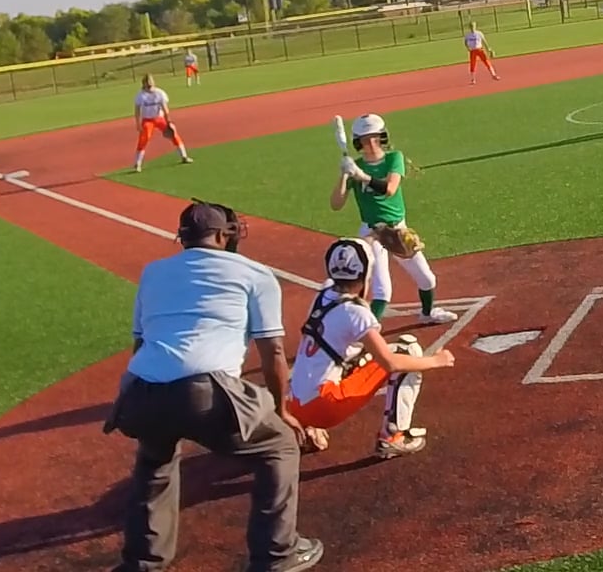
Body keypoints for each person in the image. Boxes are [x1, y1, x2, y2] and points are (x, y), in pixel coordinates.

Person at [104, 201, 325, 572]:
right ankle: (276, 554)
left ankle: (143, 562)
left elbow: (141, 344)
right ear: (224, 236)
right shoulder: (255, 274)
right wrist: (281, 410)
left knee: (154, 459)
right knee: (281, 446)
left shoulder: (153, 272)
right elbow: (272, 351)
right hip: (204, 391)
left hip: (141, 391)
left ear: (183, 238)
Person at [287, 238, 457, 459]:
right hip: (325, 407)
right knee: (406, 351)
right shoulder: (356, 313)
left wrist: (376, 235)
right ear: (365, 273)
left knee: (353, 354)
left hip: (295, 405)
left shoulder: (323, 294)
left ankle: (306, 426)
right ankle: (394, 436)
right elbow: (391, 363)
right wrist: (436, 361)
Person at [331, 113, 459, 325]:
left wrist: (362, 176)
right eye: (365, 139)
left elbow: (390, 189)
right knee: (383, 291)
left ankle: (427, 313)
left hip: (399, 230)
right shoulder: (355, 166)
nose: (371, 142)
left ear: (382, 136)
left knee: (427, 279)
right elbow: (336, 204)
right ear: (358, 142)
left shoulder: (394, 158)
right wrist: (344, 175)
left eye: (375, 137)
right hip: (372, 234)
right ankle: (367, 334)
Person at [133, 75, 193, 173]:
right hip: (147, 120)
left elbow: (165, 108)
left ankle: (184, 156)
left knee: (174, 134)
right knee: (144, 139)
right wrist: (138, 124)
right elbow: (137, 111)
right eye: (147, 85)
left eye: (150, 85)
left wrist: (169, 121)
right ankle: (137, 164)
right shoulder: (141, 95)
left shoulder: (159, 93)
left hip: (159, 118)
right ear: (144, 85)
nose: (149, 87)